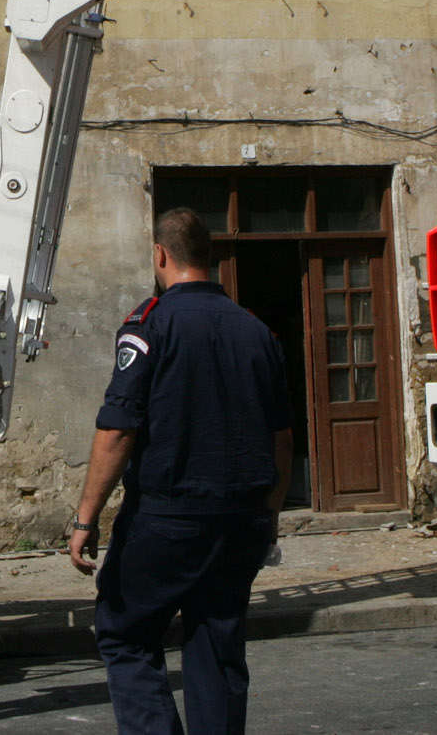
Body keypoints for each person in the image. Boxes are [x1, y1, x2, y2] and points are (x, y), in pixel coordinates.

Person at [68, 207, 294, 735]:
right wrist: (272, 512)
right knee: (216, 646)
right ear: (209, 259)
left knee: (123, 633)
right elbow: (282, 437)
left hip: (167, 516)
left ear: (161, 255)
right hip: (241, 519)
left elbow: (118, 431)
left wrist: (86, 518)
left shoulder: (149, 325)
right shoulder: (256, 332)